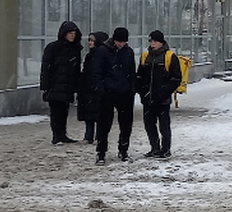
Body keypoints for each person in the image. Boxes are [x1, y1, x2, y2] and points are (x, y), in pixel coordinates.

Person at [136, 30, 182, 159]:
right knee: (149, 125)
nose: (153, 43)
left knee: (164, 125)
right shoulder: (145, 56)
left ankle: (165, 149)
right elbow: (140, 76)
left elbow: (176, 78)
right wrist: (142, 91)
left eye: (155, 41)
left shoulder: (169, 56)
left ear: (161, 42)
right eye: (151, 41)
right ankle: (155, 148)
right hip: (148, 98)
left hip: (162, 99)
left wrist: (164, 91)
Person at [39, 20, 83, 145]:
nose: (72, 35)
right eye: (70, 33)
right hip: (55, 86)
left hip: (67, 86)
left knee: (64, 111)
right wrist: (45, 85)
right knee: (56, 112)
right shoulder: (53, 48)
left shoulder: (75, 49)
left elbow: (76, 69)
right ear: (64, 34)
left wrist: (76, 86)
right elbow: (46, 67)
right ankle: (56, 136)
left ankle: (62, 134)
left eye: (74, 33)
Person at [100, 27, 137, 163]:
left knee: (126, 124)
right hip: (108, 93)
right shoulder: (104, 51)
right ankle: (101, 152)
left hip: (125, 93)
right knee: (104, 124)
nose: (121, 44)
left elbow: (132, 72)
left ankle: (123, 150)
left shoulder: (128, 52)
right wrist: (101, 88)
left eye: (123, 42)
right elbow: (97, 71)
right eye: (119, 41)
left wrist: (132, 89)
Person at [78, 31, 109, 152]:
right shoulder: (90, 56)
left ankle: (96, 136)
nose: (90, 43)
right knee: (89, 114)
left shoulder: (100, 55)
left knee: (98, 114)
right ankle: (89, 135)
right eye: (89, 41)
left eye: (92, 40)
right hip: (88, 88)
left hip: (96, 88)